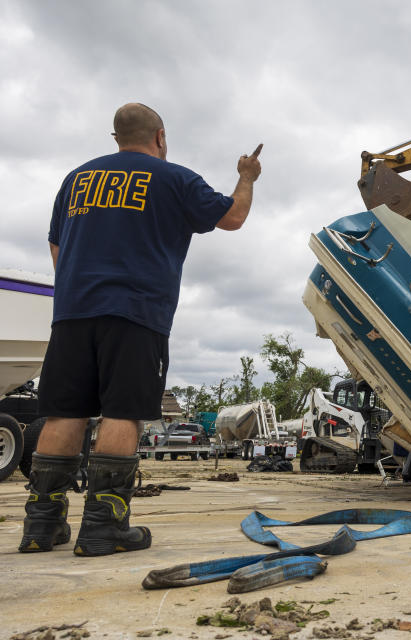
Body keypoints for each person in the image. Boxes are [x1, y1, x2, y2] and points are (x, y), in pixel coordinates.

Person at [19, 103, 262, 555]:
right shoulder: (175, 179)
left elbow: (56, 243)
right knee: (122, 412)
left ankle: (40, 527)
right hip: (135, 312)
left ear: (116, 138)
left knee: (63, 413)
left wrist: (77, 286)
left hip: (72, 313)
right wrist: (247, 175)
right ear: (161, 136)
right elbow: (232, 217)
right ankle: (104, 527)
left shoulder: (76, 179)